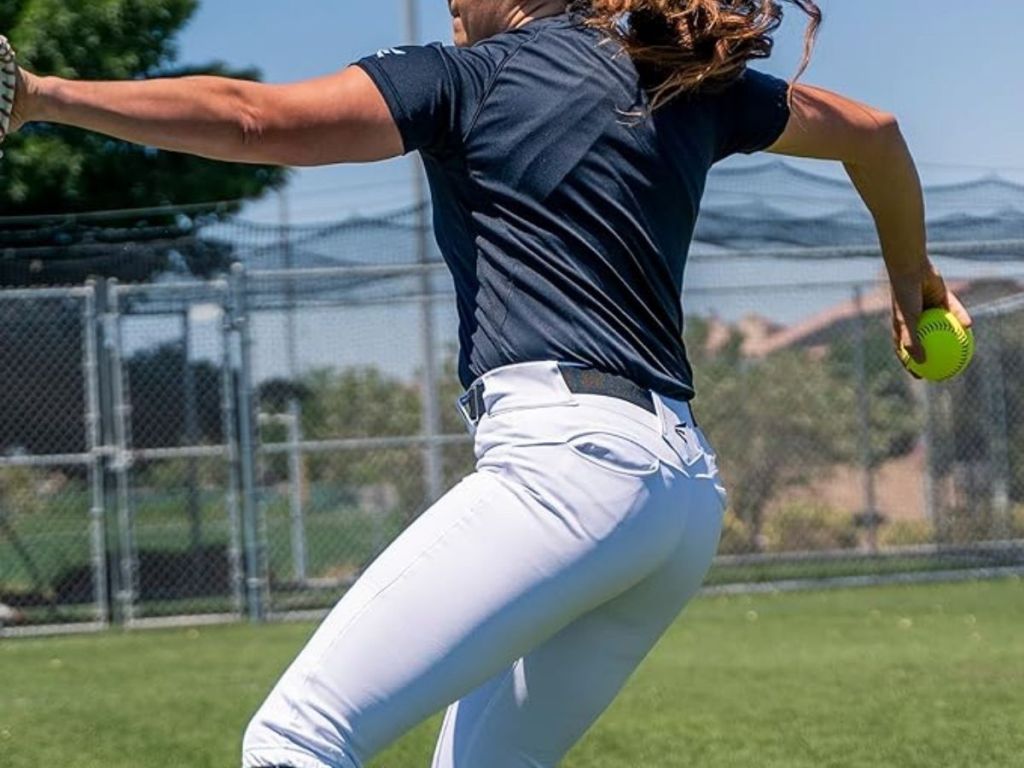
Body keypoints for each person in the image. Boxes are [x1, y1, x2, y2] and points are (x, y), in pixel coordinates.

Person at [1, 1, 972, 766]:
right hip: (676, 499)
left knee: (294, 743)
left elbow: (256, 119)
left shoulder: (468, 76)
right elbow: (875, 133)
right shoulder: (679, 81)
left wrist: (38, 93)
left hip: (570, 467)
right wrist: (910, 285)